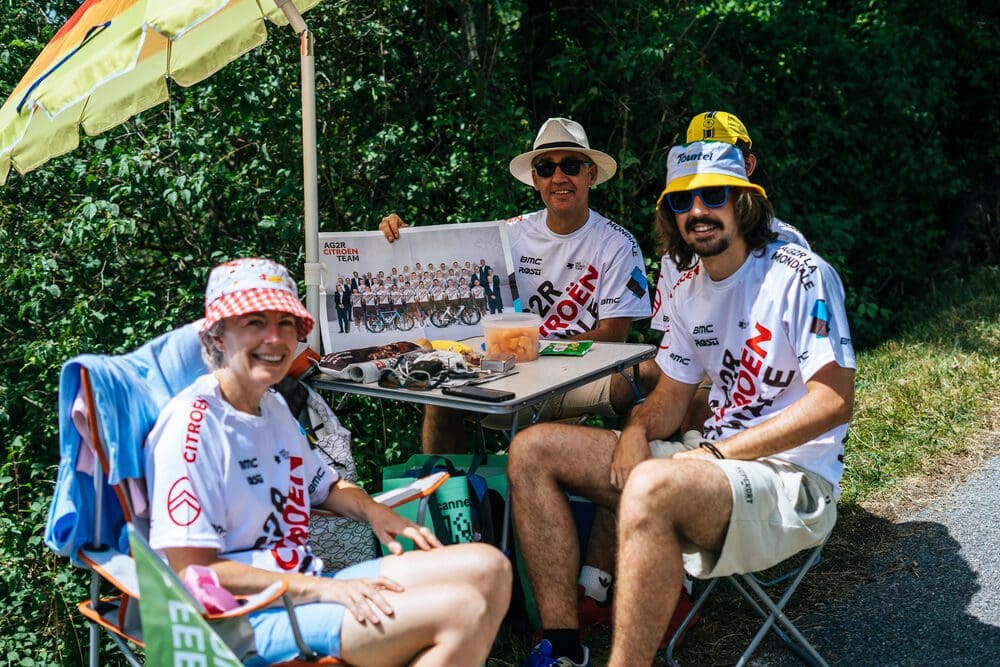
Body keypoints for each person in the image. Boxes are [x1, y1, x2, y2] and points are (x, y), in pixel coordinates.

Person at [509, 141, 855, 666]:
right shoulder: (690, 291)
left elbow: (832, 403)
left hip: (791, 481)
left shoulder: (800, 274)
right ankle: (561, 647)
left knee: (651, 481)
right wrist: (633, 432)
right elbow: (669, 399)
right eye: (681, 201)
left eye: (713, 195)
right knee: (532, 448)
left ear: (743, 202)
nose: (697, 212)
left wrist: (717, 454)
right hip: (704, 468)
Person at [146, 257, 511, 667]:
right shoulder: (192, 428)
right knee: (459, 610)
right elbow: (194, 572)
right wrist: (324, 591)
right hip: (240, 620)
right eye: (254, 323)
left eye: (285, 323)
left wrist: (374, 511)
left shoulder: (274, 408)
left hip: (306, 587)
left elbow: (327, 485)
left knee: (490, 568)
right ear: (216, 336)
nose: (275, 338)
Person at [577, 111, 815, 624]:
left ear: (747, 166)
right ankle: (595, 582)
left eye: (721, 169)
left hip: (754, 416)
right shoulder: (678, 250)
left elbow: (800, 376)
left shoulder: (788, 251)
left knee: (686, 410)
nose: (699, 202)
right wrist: (642, 422)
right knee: (640, 412)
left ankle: (674, 582)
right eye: (686, 191)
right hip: (704, 383)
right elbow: (677, 344)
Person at [380, 117, 651, 453]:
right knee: (439, 396)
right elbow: (447, 268)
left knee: (653, 375)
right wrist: (401, 238)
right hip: (506, 375)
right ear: (535, 180)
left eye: (570, 165)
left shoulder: (617, 243)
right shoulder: (510, 234)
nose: (559, 177)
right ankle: (448, 495)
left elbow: (614, 336)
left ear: (590, 175)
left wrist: (535, 347)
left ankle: (639, 484)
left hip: (580, 376)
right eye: (546, 168)